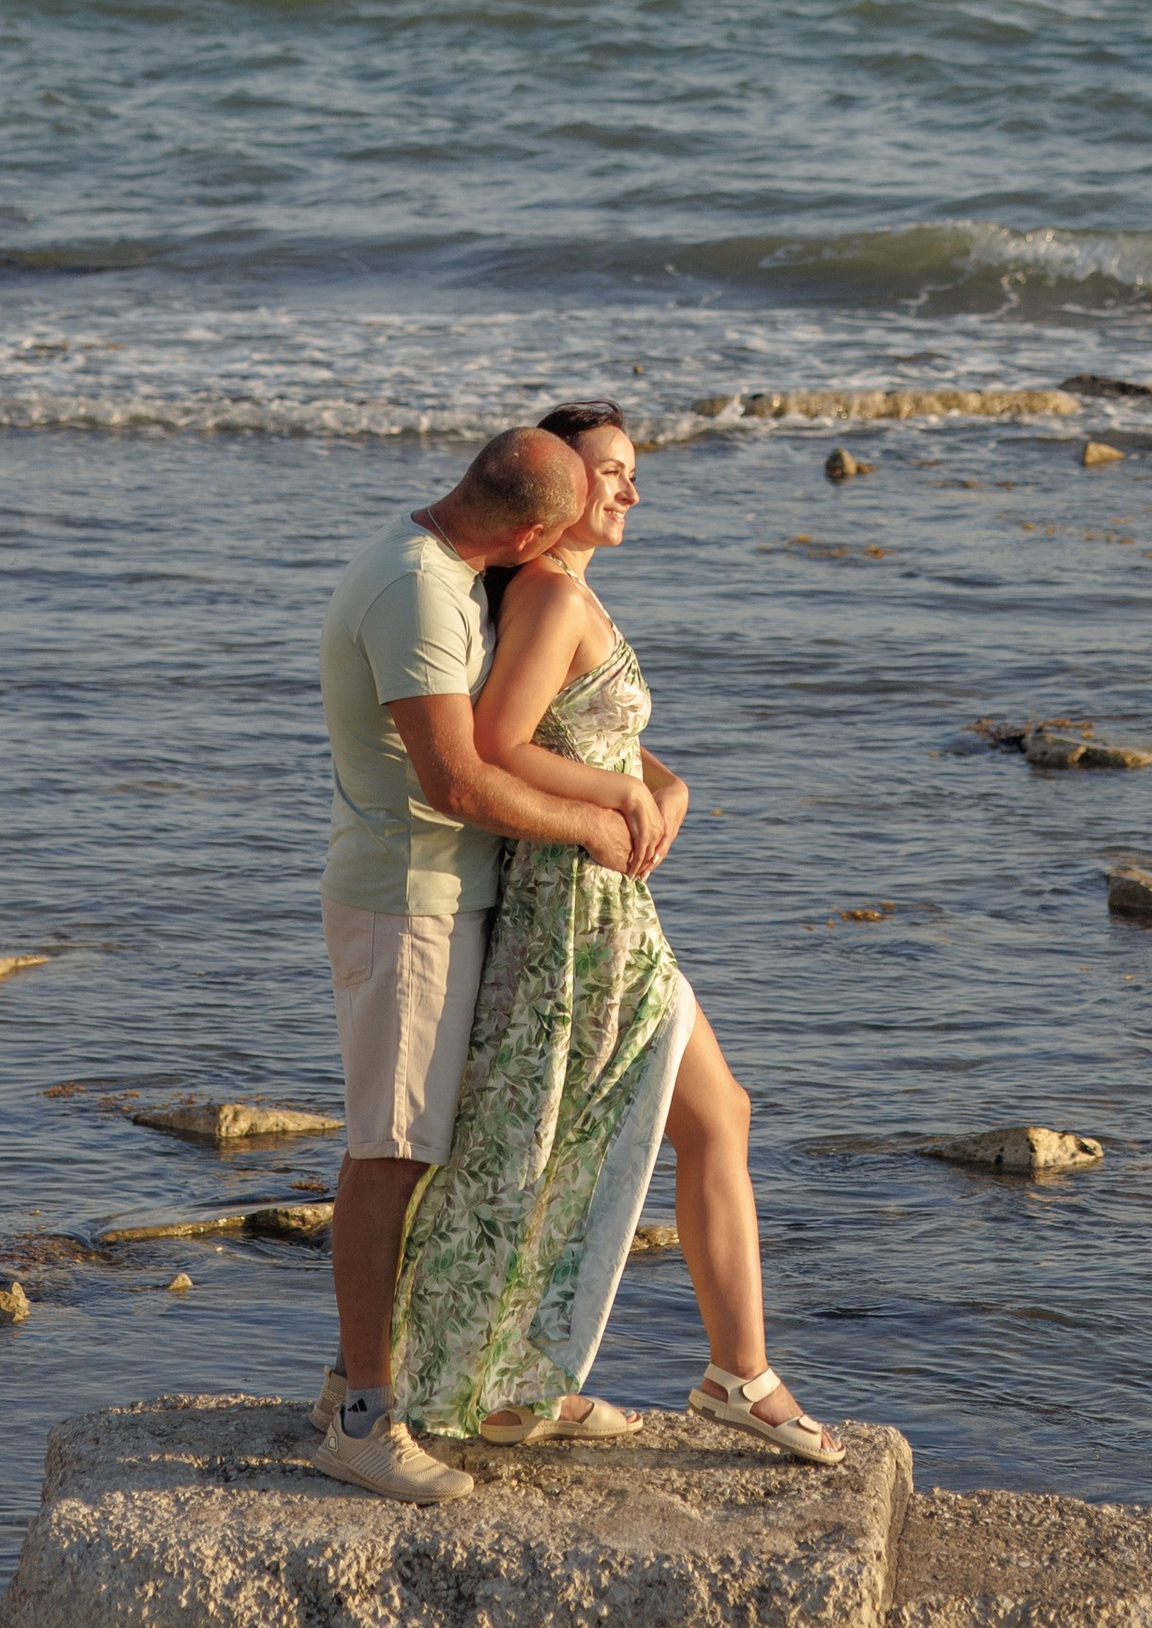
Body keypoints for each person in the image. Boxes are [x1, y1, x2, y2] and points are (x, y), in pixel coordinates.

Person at [392, 403, 845, 1465]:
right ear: (554, 490)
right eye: (608, 473)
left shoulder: (567, 595)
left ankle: (534, 1378)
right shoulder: (550, 595)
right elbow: (499, 744)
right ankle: (737, 1376)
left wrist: (663, 782)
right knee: (657, 1120)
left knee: (603, 1125)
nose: (630, 491)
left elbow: (581, 729)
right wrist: (618, 793)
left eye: (632, 473)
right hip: (577, 906)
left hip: (600, 894)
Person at [312, 424, 640, 1504]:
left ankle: (370, 1378)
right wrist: (587, 827)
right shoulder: (413, 590)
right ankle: (363, 1413)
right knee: (391, 1153)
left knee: (424, 1150)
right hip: (404, 900)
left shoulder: (442, 569)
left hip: (443, 897)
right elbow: (455, 780)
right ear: (534, 527)